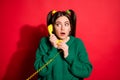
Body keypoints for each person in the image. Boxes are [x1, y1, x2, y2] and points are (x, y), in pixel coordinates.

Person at [34, 9, 93, 80]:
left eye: (66, 24)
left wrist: (68, 55)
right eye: (58, 24)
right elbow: (41, 71)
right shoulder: (44, 42)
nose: (62, 28)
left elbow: (86, 72)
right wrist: (53, 49)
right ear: (52, 27)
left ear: (70, 27)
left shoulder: (78, 43)